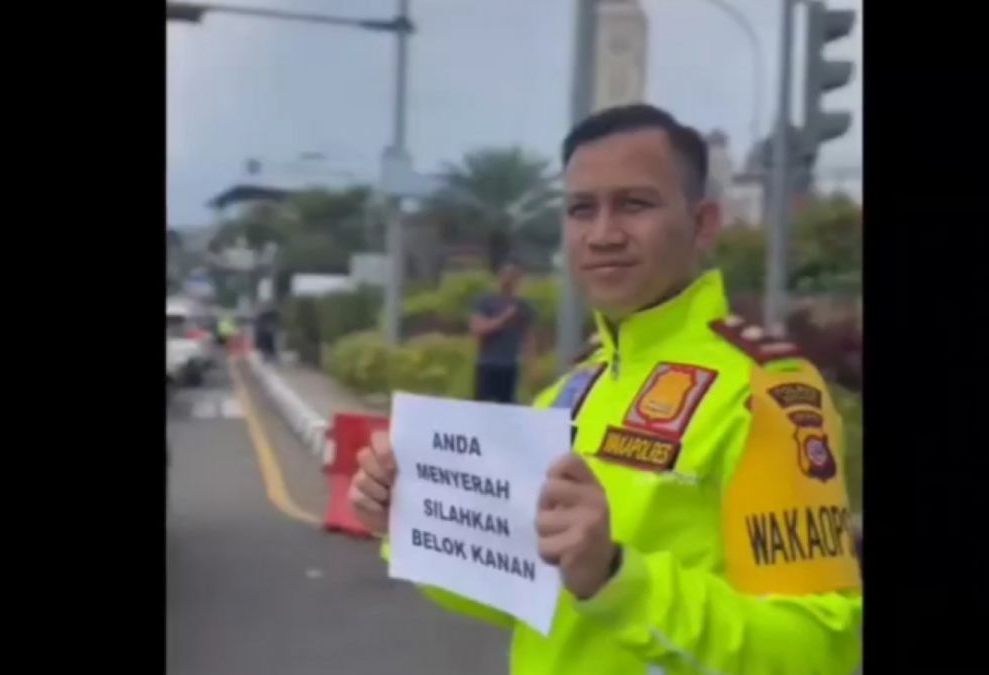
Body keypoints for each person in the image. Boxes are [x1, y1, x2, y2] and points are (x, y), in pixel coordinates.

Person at [349, 104, 863, 675]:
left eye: (634, 204)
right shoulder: (571, 391)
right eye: (580, 209)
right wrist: (410, 517)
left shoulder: (766, 393)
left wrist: (618, 577)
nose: (603, 235)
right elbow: (522, 595)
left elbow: (817, 653)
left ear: (703, 224)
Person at [468, 260, 535, 403]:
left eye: (514, 276)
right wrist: (504, 319)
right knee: (482, 407)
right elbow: (478, 329)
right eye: (507, 275)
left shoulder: (523, 306)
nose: (510, 280)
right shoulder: (486, 301)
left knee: (507, 408)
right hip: (488, 364)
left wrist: (531, 366)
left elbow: (528, 336)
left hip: (510, 366)